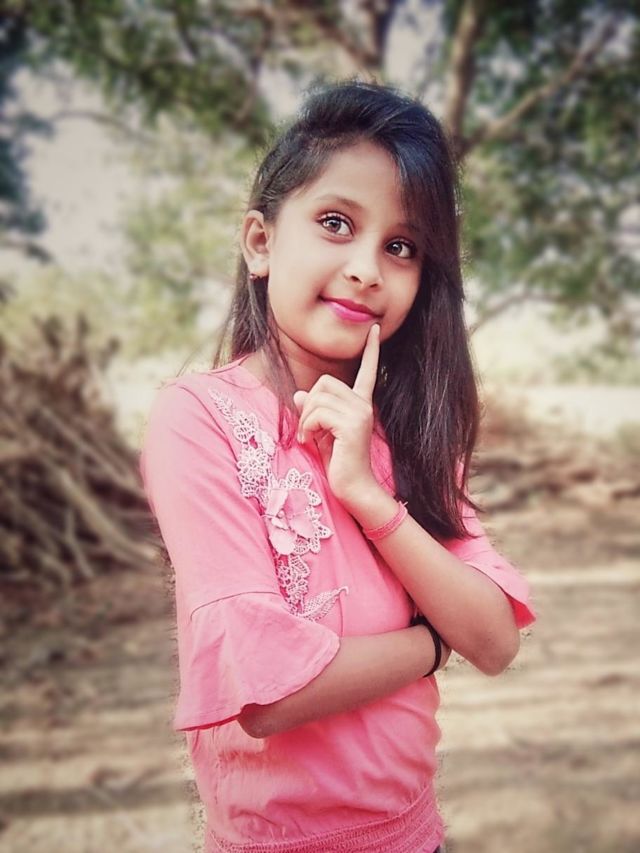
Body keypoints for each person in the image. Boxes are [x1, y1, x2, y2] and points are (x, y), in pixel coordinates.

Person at [139, 79, 536, 853]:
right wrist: (431, 643)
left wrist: (370, 497)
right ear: (260, 242)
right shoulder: (198, 419)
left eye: (401, 246)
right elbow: (267, 690)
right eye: (335, 223)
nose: (367, 268)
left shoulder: (408, 430)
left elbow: (494, 638)